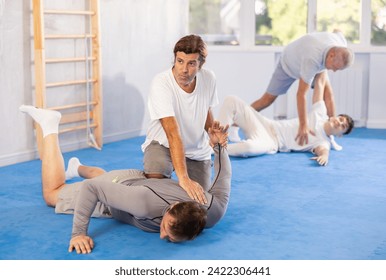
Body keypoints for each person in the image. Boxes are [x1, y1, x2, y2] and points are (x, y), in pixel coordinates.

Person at [19, 105, 230, 254]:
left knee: (105, 179)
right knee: (53, 194)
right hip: (121, 187)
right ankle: (50, 125)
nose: (161, 236)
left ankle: (77, 167)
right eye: (165, 227)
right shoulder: (143, 204)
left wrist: (219, 146)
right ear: (173, 206)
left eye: (170, 237)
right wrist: (78, 234)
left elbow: (223, 177)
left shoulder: (213, 210)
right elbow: (93, 189)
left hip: (136, 182)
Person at [141, 34, 218, 205]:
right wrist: (183, 179)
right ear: (174, 59)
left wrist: (212, 133)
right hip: (163, 144)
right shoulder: (161, 83)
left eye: (191, 63)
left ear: (200, 65)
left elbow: (205, 110)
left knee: (199, 203)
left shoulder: (209, 78)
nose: (184, 69)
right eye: (180, 61)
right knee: (154, 192)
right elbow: (172, 134)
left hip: (196, 149)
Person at [250, 30, 354, 147]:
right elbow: (301, 94)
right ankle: (235, 125)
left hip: (316, 59)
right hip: (289, 65)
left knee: (328, 92)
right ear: (331, 56)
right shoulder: (312, 59)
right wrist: (303, 125)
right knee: (267, 100)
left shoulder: (340, 43)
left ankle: (330, 134)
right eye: (335, 67)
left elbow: (338, 31)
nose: (334, 71)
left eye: (338, 69)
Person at [217, 92, 354, 166]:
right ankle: (216, 139)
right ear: (334, 117)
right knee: (232, 100)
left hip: (272, 142)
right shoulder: (320, 113)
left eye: (343, 126)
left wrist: (324, 156)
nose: (339, 123)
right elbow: (319, 84)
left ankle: (213, 148)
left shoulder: (324, 142)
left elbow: (323, 151)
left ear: (340, 135)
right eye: (340, 119)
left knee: (249, 148)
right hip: (267, 124)